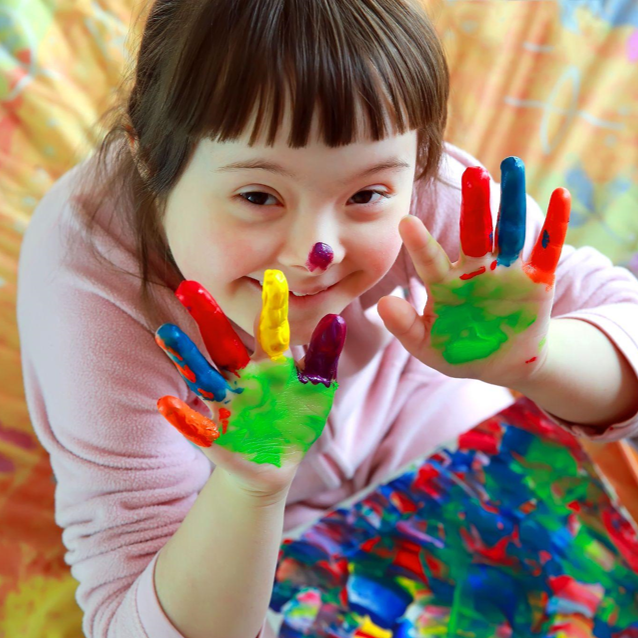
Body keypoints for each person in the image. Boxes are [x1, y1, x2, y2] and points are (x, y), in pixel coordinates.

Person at [15, 0, 638, 637]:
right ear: (150, 160)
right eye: (258, 196)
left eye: (366, 195)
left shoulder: (435, 197)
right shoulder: (91, 292)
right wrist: (249, 488)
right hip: (222, 524)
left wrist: (537, 358)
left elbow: (625, 325)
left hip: (421, 420)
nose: (317, 253)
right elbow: (129, 622)